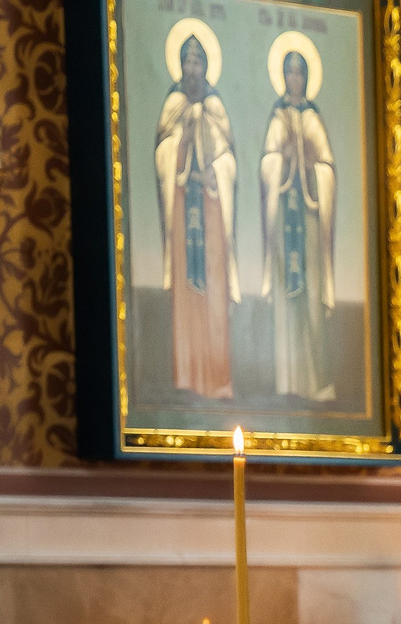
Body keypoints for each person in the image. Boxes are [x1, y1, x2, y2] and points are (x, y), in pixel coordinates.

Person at [154, 30, 238, 399]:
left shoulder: (217, 108)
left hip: (211, 209)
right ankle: (186, 375)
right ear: (180, 65)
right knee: (187, 293)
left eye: (198, 61)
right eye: (187, 61)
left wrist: (215, 173)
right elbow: (164, 153)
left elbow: (227, 157)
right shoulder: (173, 104)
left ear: (206, 66)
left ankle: (218, 378)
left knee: (214, 291)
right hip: (182, 206)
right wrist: (183, 144)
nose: (193, 68)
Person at [259, 46, 338, 403]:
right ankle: (287, 381)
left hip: (307, 220)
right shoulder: (277, 117)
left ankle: (317, 383)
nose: (295, 78)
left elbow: (327, 168)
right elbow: (268, 164)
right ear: (283, 76)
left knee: (310, 299)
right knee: (286, 302)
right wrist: (281, 160)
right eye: (290, 71)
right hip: (284, 222)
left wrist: (310, 166)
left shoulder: (313, 117)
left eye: (300, 71)